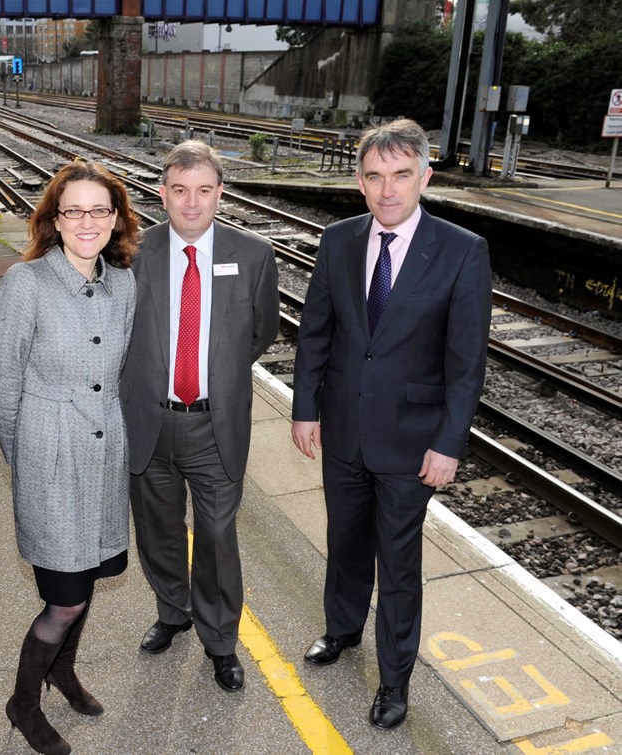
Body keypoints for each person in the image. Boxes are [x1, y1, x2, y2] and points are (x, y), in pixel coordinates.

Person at [291, 118, 491, 729]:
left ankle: (394, 680)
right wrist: (304, 408)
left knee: (398, 566)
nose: (388, 190)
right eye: (375, 177)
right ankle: (341, 630)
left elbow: (465, 364)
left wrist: (449, 444)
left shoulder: (462, 250)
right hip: (344, 432)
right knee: (345, 541)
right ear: (359, 181)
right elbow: (316, 332)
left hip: (412, 443)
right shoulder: (338, 240)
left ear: (425, 177)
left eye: (401, 175)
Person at [0, 161, 138, 755]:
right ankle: (23, 703)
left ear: (117, 218)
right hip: (50, 453)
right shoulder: (28, 283)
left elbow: (116, 372)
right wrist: (29, 458)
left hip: (103, 453)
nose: (87, 221)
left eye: (100, 209)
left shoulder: (122, 282)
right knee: (64, 595)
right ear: (53, 219)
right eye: (73, 210)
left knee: (90, 575)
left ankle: (62, 671)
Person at [121, 141, 279, 693]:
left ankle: (220, 641)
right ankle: (172, 612)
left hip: (215, 425)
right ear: (162, 193)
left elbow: (260, 334)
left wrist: (218, 375)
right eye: (180, 191)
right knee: (158, 529)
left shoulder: (254, 255)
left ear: (220, 194)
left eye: (204, 191)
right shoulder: (132, 251)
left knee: (216, 534)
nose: (191, 204)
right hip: (149, 421)